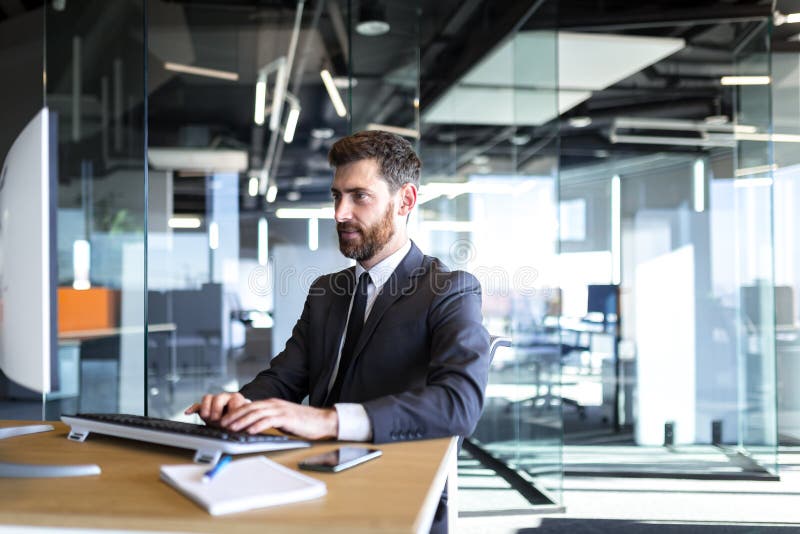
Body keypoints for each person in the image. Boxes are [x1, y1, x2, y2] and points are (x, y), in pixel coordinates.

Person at [186, 130, 490, 532]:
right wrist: (239, 406)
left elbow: (460, 403)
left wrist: (328, 421)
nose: (339, 213)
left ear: (406, 201)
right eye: (336, 196)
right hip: (309, 473)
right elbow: (284, 378)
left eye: (359, 196)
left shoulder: (448, 289)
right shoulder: (328, 290)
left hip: (395, 486)